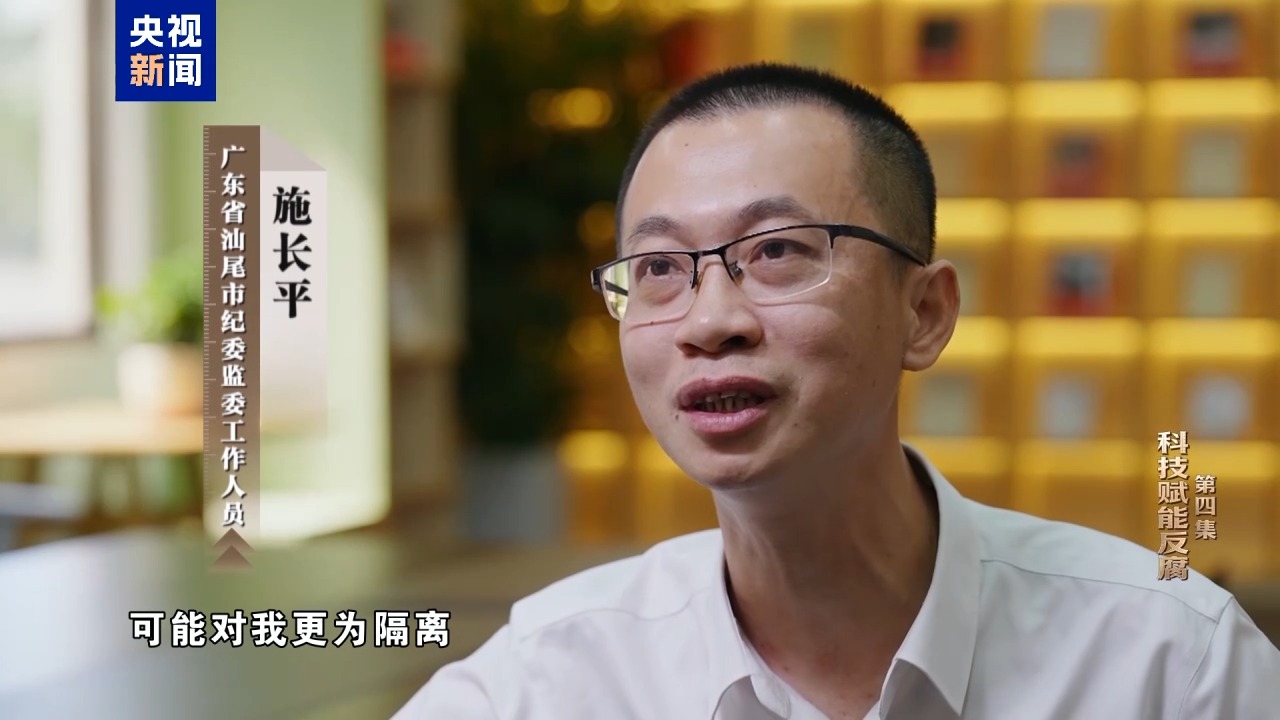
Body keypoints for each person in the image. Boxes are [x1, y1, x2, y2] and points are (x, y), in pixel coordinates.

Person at [395, 63, 1280, 719]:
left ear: (924, 313)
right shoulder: (549, 677)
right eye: (659, 268)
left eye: (778, 250)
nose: (710, 321)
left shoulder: (1169, 662)